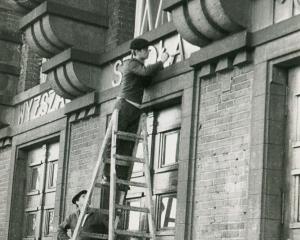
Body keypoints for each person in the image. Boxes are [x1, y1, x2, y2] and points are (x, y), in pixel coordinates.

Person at [108, 38, 169, 181]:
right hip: (124, 106)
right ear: (136, 51)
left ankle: (122, 179)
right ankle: (106, 174)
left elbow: (146, 80)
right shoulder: (130, 64)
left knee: (127, 146)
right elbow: (146, 72)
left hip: (134, 109)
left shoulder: (138, 67)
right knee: (114, 140)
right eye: (144, 49)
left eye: (147, 49)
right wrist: (161, 62)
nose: (147, 51)